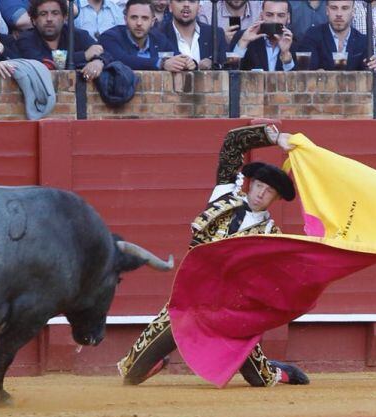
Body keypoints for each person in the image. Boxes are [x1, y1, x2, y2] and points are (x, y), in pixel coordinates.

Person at [117, 123, 310, 388]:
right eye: (259, 186)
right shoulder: (225, 195)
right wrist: (274, 138)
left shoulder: (270, 235)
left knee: (260, 380)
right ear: (250, 184)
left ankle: (280, 371)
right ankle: (159, 360)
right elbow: (232, 144)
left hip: (228, 312)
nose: (261, 194)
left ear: (275, 199)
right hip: (188, 301)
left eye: (269, 192)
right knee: (131, 373)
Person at [17, 0, 109, 81]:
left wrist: (99, 62)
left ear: (64, 17)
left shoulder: (76, 35)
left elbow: (103, 52)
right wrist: (84, 56)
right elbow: (44, 64)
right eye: (43, 14)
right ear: (34, 20)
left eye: (55, 13)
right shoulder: (26, 39)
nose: (49, 19)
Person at [99, 0, 188, 71]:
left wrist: (189, 63)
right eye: (134, 17)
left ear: (153, 21)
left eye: (145, 18)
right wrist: (161, 63)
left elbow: (176, 55)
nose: (139, 23)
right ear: (125, 19)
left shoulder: (159, 38)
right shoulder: (110, 37)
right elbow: (122, 60)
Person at [300, 0, 376, 70]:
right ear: (327, 10)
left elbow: (370, 74)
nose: (339, 14)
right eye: (334, 8)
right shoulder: (312, 35)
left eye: (344, 8)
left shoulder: (363, 41)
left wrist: (375, 67)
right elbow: (306, 72)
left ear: (353, 12)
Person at [158, 0, 226, 70]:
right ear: (170, 7)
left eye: (192, 1)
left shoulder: (216, 34)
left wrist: (212, 64)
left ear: (199, 7)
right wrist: (163, 64)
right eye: (180, 1)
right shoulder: (158, 35)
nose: (186, 5)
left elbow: (225, 65)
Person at [231, 0, 297, 71]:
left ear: (288, 18)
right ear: (261, 16)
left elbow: (298, 79)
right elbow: (231, 72)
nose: (274, 20)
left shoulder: (295, 42)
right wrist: (244, 42)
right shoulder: (243, 36)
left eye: (281, 15)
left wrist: (285, 53)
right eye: (269, 15)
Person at [197, 0, 261, 45]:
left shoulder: (260, 10)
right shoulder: (208, 11)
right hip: (220, 62)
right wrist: (221, 41)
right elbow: (203, 48)